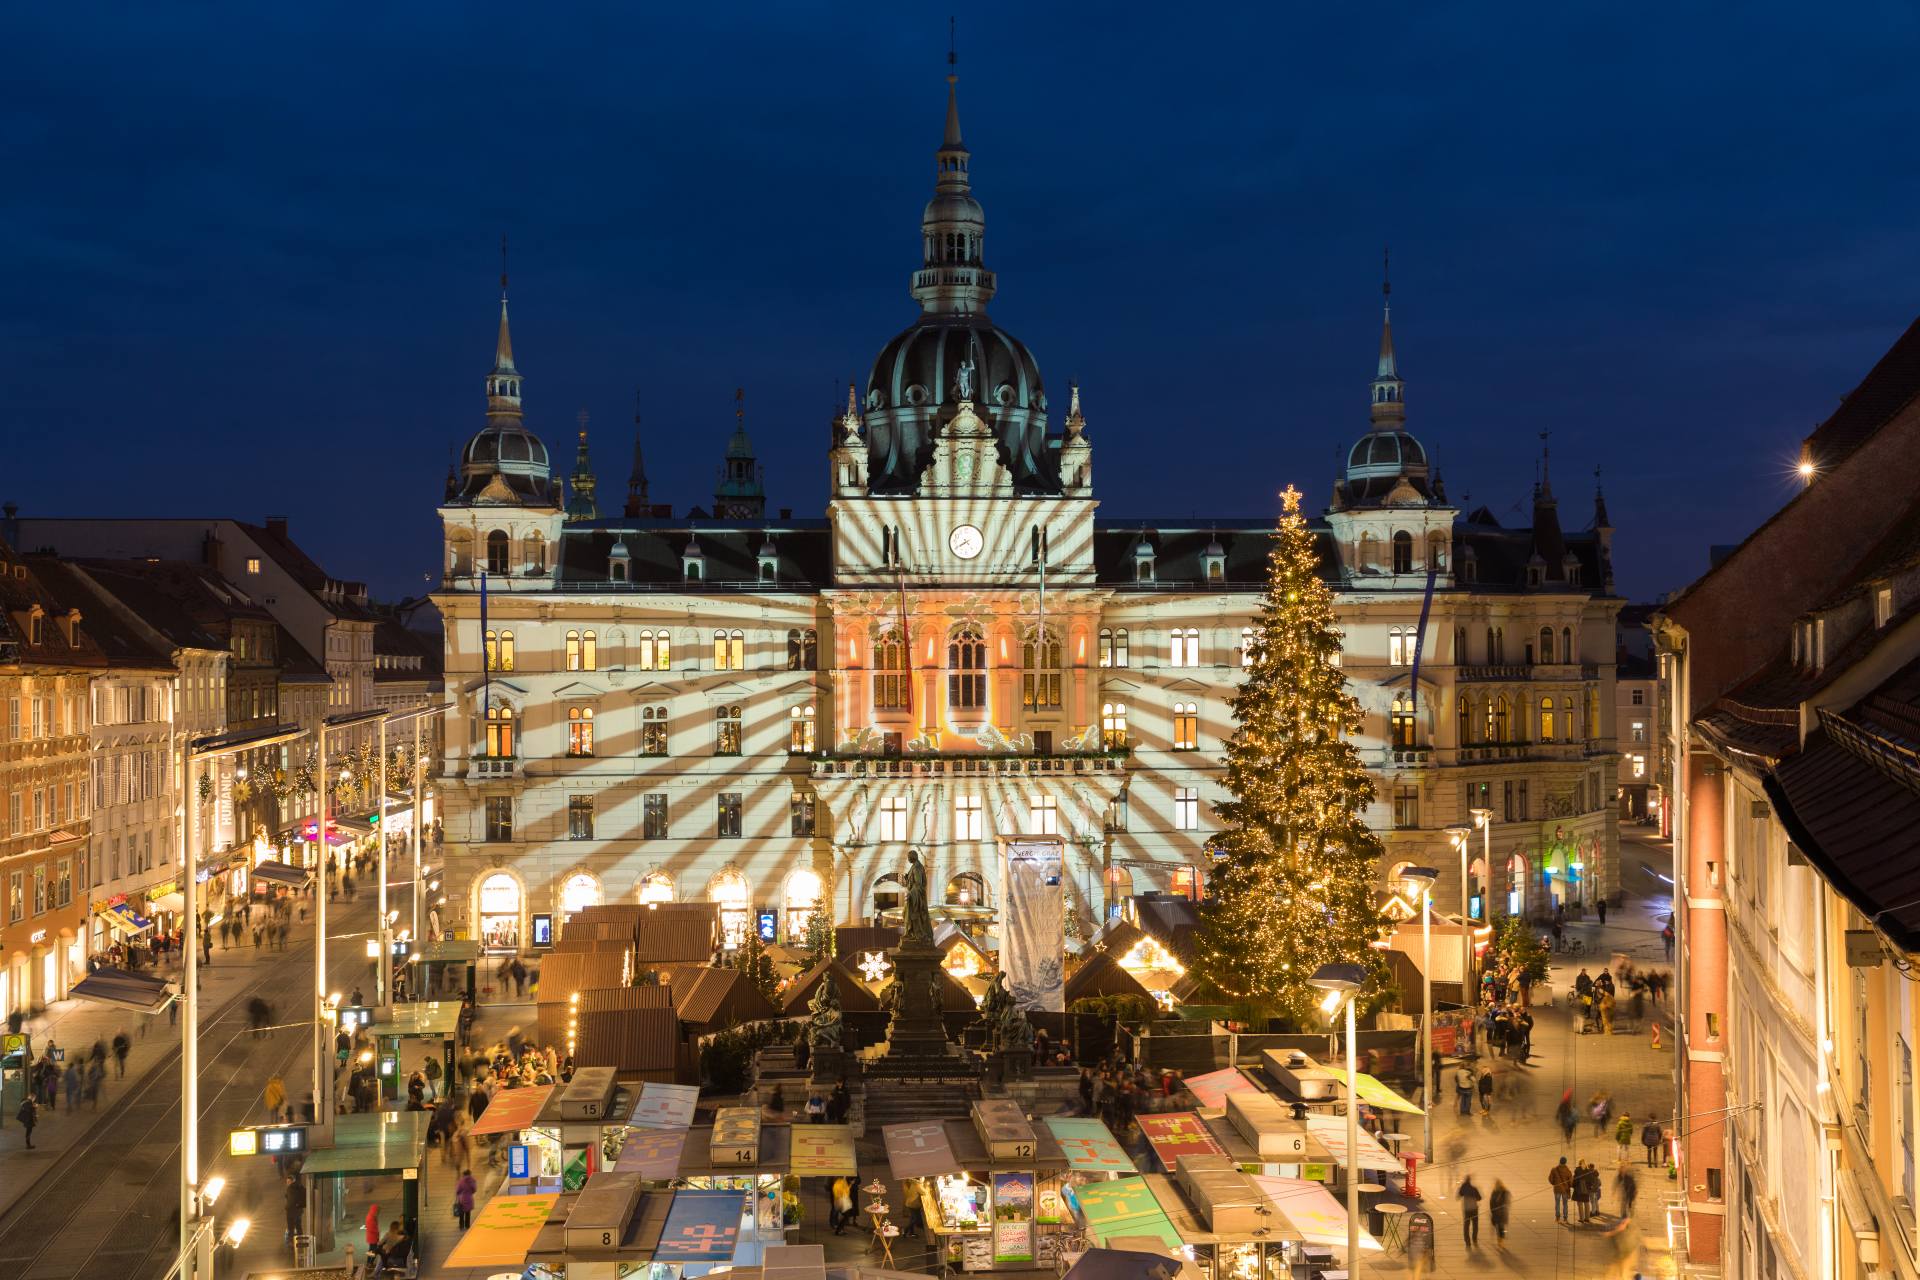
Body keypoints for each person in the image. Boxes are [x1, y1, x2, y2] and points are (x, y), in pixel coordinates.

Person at [1456, 1175, 1482, 1247]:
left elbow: (1458, 1196)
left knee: (1466, 1226)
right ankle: (1474, 1239)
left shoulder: (1463, 1188)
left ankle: (1467, 1242)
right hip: (1474, 1209)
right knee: (1475, 1225)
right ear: (1470, 1181)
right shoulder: (1474, 1188)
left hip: (1466, 1209)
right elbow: (1479, 1198)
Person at [1549, 1156, 1574, 1222]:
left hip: (1557, 1189)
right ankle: (1565, 1218)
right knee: (1565, 1204)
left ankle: (1557, 1217)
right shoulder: (1568, 1170)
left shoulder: (1554, 1169)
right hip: (1565, 1190)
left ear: (1559, 1161)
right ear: (1565, 1162)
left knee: (1557, 1203)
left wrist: (1555, 1184)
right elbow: (1571, 1182)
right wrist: (1570, 1186)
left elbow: (1550, 1179)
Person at [285, 1173, 306, 1243]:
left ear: (292, 1181)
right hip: (299, 1211)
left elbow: (291, 1201)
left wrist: (287, 1207)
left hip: (291, 1212)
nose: (287, 1183)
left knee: (291, 1228)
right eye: (287, 1182)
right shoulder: (300, 1187)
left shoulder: (290, 1188)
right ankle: (301, 1241)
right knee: (299, 1227)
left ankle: (291, 1243)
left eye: (288, 1182)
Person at [1489, 1180, 1511, 1246]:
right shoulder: (1498, 1192)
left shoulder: (1500, 1192)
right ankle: (1500, 1240)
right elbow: (1491, 1202)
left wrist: (1492, 1210)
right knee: (1499, 1227)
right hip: (1499, 1213)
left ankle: (1500, 1240)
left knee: (1500, 1227)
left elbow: (1491, 1202)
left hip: (1499, 1213)